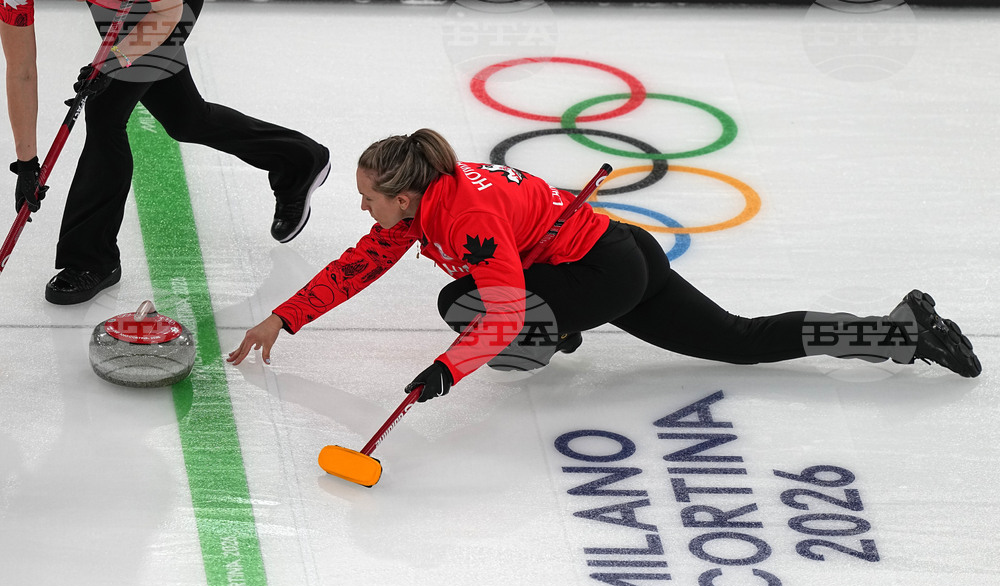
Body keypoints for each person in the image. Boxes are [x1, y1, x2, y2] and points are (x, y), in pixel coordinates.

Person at [227, 128, 982, 401]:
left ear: (404, 192)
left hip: (604, 271)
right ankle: (899, 331)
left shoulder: (470, 217)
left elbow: (500, 315)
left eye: (367, 197)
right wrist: (282, 317)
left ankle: (561, 330)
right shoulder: (421, 204)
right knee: (743, 338)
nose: (363, 209)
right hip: (611, 251)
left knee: (463, 305)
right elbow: (360, 264)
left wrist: (442, 374)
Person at [2, 0, 330, 304]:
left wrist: (116, 61)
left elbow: (167, 14)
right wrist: (27, 164)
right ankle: (300, 159)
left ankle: (91, 259)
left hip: (170, 7)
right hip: (118, 7)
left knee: (105, 111)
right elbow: (21, 70)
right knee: (186, 118)